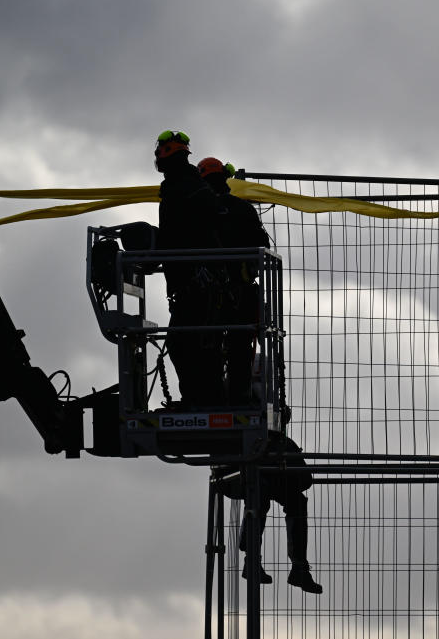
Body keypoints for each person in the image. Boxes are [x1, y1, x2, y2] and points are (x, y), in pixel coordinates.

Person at [155, 131, 227, 407]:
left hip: (196, 280)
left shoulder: (183, 186)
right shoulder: (187, 185)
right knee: (198, 344)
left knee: (186, 344)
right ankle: (205, 399)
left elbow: (180, 230)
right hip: (196, 279)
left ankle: (200, 401)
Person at [197, 157, 271, 405]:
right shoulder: (243, 208)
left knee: (207, 344)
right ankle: (239, 395)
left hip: (207, 293)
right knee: (240, 346)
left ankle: (211, 396)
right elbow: (263, 243)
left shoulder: (199, 210)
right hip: (240, 289)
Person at [219, 431, 323, 594]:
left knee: (296, 501)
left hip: (266, 476)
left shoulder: (281, 442)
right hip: (237, 474)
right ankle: (252, 560)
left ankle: (299, 568)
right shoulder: (242, 438)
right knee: (258, 494)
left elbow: (305, 479)